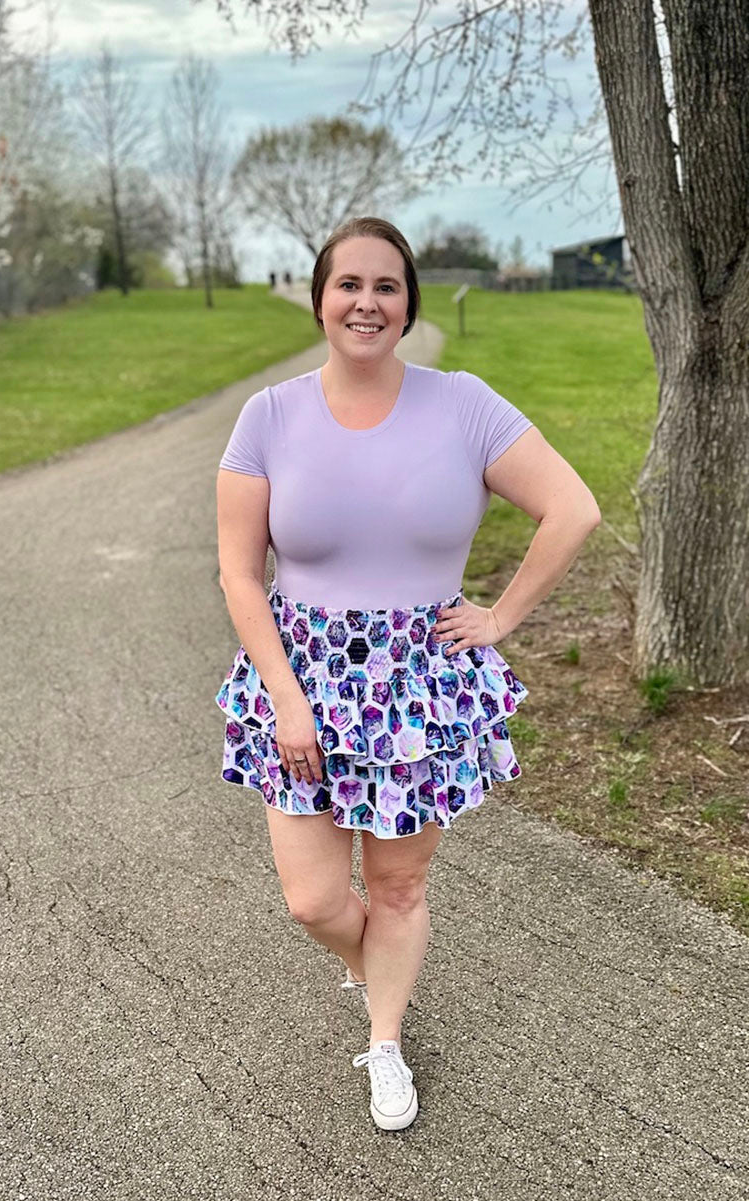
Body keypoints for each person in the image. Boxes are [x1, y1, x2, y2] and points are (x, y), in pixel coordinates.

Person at [215, 215, 601, 1131]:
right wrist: (285, 699)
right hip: (302, 681)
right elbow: (239, 573)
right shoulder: (269, 416)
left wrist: (500, 616)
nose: (367, 302)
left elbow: (573, 508)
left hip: (417, 692)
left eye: (386, 286)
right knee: (313, 899)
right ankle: (378, 967)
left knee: (397, 890)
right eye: (348, 284)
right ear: (319, 299)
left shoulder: (464, 405)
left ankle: (385, 1040)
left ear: (408, 303)